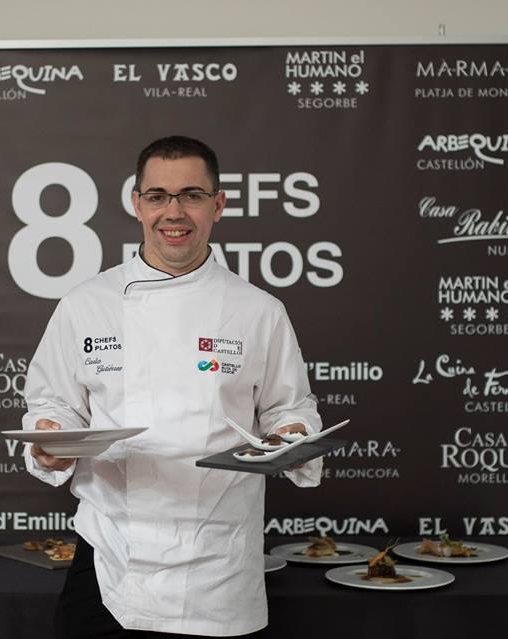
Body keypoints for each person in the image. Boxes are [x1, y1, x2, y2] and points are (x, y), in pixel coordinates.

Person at [22, 136, 322, 638]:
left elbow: (289, 408)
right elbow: (53, 402)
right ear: (137, 204)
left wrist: (291, 434)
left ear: (218, 205)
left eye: (192, 195)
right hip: (111, 555)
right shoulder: (85, 304)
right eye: (158, 196)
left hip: (217, 565)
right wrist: (51, 436)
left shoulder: (258, 311)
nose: (174, 211)